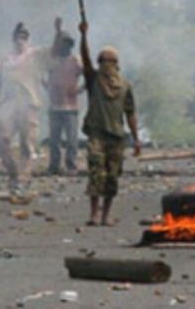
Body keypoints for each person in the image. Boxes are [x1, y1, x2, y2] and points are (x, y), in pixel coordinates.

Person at [78, 21, 141, 226]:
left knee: (112, 178)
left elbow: (130, 113)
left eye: (109, 61)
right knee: (96, 173)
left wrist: (137, 139)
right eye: (102, 60)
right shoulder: (94, 80)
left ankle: (106, 214)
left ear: (116, 63)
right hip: (97, 134)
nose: (106, 64)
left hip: (116, 137)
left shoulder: (124, 86)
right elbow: (86, 60)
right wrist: (84, 36)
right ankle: (94, 213)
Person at [0, 22, 58, 191]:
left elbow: (56, 50)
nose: (21, 40)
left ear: (28, 40)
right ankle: (13, 172)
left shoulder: (36, 55)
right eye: (19, 36)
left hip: (28, 103)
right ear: (14, 39)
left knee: (27, 144)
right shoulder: (5, 60)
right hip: (8, 104)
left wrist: (57, 31)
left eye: (25, 37)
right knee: (1, 140)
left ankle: (23, 177)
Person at [45, 18, 83, 175]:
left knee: (72, 140)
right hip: (55, 106)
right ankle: (54, 165)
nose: (64, 46)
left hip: (70, 107)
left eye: (67, 44)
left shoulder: (76, 61)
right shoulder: (53, 62)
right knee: (54, 140)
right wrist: (58, 32)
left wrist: (79, 90)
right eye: (62, 43)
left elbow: (89, 77)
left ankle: (71, 165)